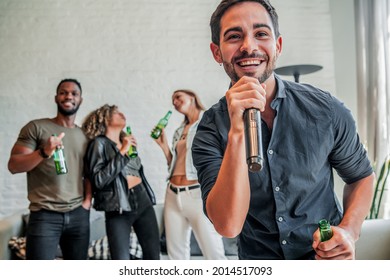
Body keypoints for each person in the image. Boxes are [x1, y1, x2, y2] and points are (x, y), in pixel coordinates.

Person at [192, 0, 375, 260]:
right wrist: (237, 133)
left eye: (261, 34)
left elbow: (361, 177)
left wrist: (348, 230)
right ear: (217, 52)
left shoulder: (326, 109)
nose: (249, 46)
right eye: (234, 36)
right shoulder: (210, 129)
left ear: (277, 45)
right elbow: (228, 225)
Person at [8, 78, 91, 260]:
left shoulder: (85, 135)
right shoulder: (36, 127)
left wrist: (87, 202)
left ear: (80, 100)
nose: (68, 96)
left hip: (78, 214)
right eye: (63, 92)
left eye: (74, 93)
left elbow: (89, 173)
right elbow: (14, 165)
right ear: (56, 98)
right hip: (45, 215)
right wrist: (44, 152)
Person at [154, 89, 226, 260]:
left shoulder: (209, 120)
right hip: (172, 192)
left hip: (197, 192)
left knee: (214, 253)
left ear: (192, 97)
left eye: (178, 97)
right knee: (176, 255)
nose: (175, 102)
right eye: (172, 101)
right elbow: (175, 163)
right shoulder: (180, 130)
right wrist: (164, 146)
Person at [82, 104, 160, 260]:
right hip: (118, 207)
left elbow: (137, 171)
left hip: (142, 200)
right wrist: (122, 152)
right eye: (115, 112)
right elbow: (98, 180)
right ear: (103, 118)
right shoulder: (99, 144)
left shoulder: (127, 142)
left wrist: (128, 150)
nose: (121, 113)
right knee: (121, 260)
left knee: (153, 256)